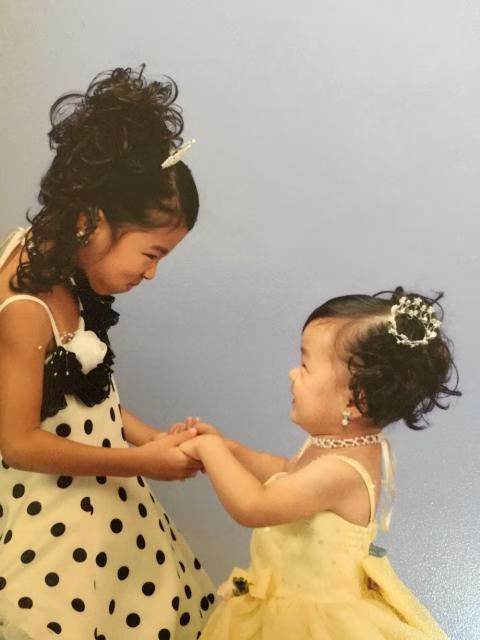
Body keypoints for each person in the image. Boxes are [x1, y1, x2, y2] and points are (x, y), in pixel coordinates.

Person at [0, 66, 215, 640]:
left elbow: (84, 400)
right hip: (56, 530)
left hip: (106, 506)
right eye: (151, 254)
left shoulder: (60, 262)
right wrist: (143, 462)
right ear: (90, 221)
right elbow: (18, 443)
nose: (152, 273)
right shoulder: (25, 307)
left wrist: (154, 440)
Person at [176, 289, 460, 639]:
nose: (293, 374)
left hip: (309, 624)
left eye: (306, 367)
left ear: (355, 400)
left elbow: (254, 506)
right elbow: (287, 473)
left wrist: (210, 450)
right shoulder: (339, 445)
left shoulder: (340, 472)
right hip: (282, 608)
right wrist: (231, 450)